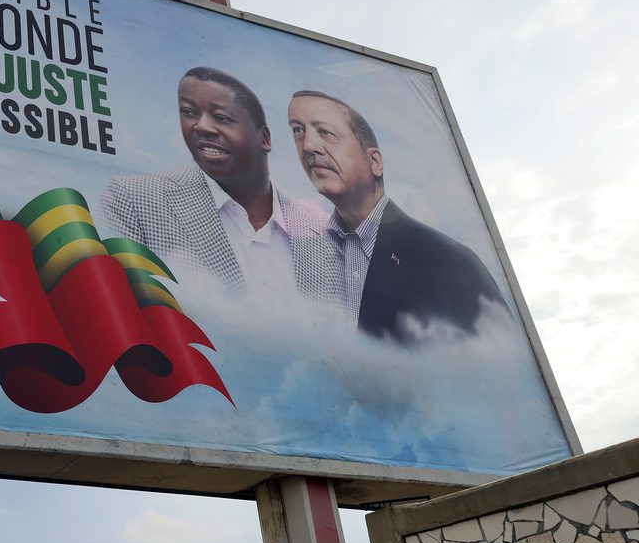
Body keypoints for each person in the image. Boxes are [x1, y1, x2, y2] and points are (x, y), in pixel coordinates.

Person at [286, 90, 506, 343]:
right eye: (297, 132)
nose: (309, 147)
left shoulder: (449, 262)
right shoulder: (302, 258)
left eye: (325, 132)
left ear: (375, 161)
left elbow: (506, 369)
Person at [100, 67, 337, 300]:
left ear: (264, 139)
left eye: (221, 117)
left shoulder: (324, 234)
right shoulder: (135, 199)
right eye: (189, 112)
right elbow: (120, 309)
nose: (201, 127)